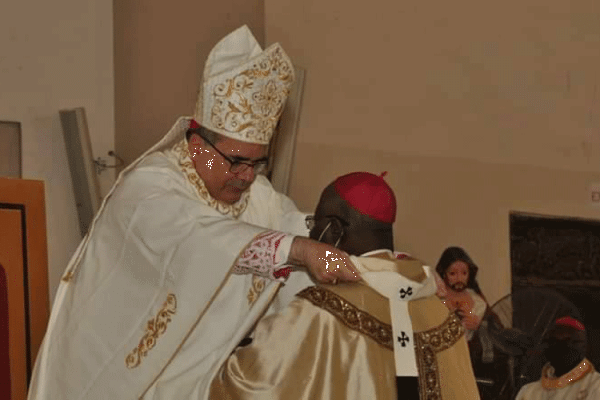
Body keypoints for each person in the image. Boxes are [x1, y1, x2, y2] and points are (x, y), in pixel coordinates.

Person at [27, 26, 360, 400]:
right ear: (198, 143)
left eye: (258, 163)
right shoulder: (148, 187)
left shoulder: (257, 196)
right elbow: (196, 236)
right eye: (236, 161)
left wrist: (376, 265)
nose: (247, 176)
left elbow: (296, 231)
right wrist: (296, 249)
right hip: (110, 382)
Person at [210, 172, 481, 399]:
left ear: (335, 232)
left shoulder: (319, 311)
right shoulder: (438, 309)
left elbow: (246, 386)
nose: (312, 235)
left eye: (315, 224)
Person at [515, 316, 600, 400]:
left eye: (568, 341)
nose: (561, 350)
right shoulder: (528, 391)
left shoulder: (595, 386)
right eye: (554, 341)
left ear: (583, 346)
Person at [435, 246, 487, 340]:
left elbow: (494, 332)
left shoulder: (478, 303)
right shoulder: (435, 300)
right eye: (453, 274)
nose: (459, 279)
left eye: (464, 273)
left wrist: (479, 326)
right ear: (444, 274)